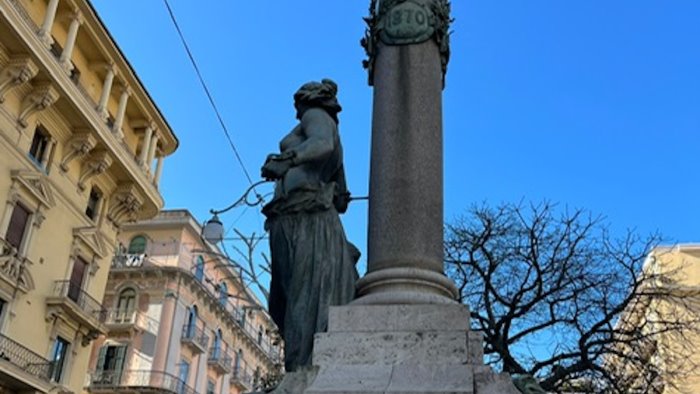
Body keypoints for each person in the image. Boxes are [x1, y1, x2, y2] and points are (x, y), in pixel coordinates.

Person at [261, 79, 359, 373]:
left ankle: (303, 365)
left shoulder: (315, 116)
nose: (295, 110)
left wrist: (286, 159)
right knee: (292, 295)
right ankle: (301, 360)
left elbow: (322, 145)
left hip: (305, 216)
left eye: (297, 103)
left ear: (306, 99)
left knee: (300, 293)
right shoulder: (326, 123)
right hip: (301, 213)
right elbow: (340, 190)